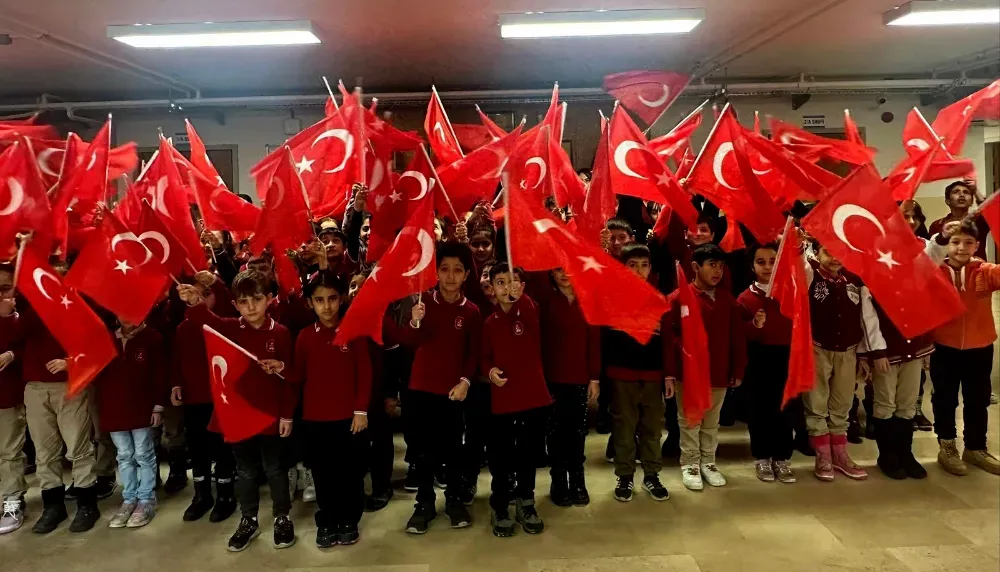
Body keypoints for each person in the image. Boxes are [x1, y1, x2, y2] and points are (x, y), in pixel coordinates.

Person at [177, 269, 297, 552]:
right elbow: (206, 320)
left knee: (275, 469)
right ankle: (249, 518)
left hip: (270, 415)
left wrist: (287, 413)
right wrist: (194, 302)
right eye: (244, 302)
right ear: (235, 304)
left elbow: (292, 378)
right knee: (245, 471)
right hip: (239, 414)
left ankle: (282, 517)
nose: (251, 307)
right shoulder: (231, 328)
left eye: (257, 299)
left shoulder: (280, 333)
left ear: (270, 299)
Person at [393, 242, 481, 534]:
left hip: (453, 392)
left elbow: (473, 354)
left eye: (457, 270)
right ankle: (424, 503)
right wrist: (414, 322)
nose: (450, 276)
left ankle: (454, 500)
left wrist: (465, 381)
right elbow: (407, 341)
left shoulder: (471, 311)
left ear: (466, 274)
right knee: (423, 451)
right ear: (436, 272)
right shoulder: (422, 304)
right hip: (421, 389)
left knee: (454, 449)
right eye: (444, 269)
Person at [18, 264, 101, 533]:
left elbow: (98, 344)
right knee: (44, 451)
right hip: (35, 387)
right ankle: (53, 505)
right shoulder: (31, 306)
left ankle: (87, 503)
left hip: (70, 385)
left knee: (78, 447)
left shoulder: (79, 305)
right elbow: (17, 336)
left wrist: (72, 361)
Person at [293, 271, 371, 547]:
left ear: (342, 299)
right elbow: (298, 377)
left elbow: (365, 373)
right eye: (319, 300)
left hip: (349, 419)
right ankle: (326, 519)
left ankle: (349, 518)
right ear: (310, 303)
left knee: (349, 473)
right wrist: (279, 369)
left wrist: (360, 410)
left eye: (332, 298)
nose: (326, 306)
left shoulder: (354, 332)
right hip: (315, 419)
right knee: (323, 474)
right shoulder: (304, 337)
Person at [665, 244, 746, 491]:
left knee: (711, 421)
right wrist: (676, 364)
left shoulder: (727, 301)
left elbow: (737, 338)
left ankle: (708, 461)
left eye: (721, 266)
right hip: (689, 374)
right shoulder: (678, 298)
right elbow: (669, 338)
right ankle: (689, 463)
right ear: (695, 267)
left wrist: (738, 369)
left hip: (719, 372)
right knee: (689, 421)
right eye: (712, 265)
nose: (717, 271)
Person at [804, 240, 885, 482]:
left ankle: (840, 454)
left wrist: (864, 353)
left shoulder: (854, 281)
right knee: (816, 402)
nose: (835, 258)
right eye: (828, 252)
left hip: (847, 352)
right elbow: (800, 267)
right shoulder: (811, 276)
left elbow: (865, 319)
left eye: (841, 253)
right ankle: (823, 456)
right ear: (816, 253)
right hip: (817, 349)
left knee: (842, 402)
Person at [482, 263, 552, 537]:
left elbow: (528, 304)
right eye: (500, 282)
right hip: (503, 400)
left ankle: (526, 500)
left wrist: (519, 297)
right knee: (501, 455)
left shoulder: (530, 311)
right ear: (491, 288)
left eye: (512, 282)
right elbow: (484, 357)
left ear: (522, 287)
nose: (506, 287)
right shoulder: (490, 322)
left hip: (532, 398)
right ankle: (500, 504)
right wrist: (490, 371)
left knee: (527, 453)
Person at [603, 244, 672, 503]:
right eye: (632, 265)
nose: (638, 270)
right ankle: (625, 475)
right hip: (622, 374)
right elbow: (605, 341)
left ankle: (652, 475)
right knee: (624, 428)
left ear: (650, 268)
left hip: (653, 375)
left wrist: (668, 375)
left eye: (644, 265)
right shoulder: (612, 299)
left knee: (652, 429)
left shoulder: (659, 300)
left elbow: (667, 341)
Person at [931, 219, 1000, 476]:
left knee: (978, 399)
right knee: (945, 399)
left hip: (980, 347)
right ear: (946, 244)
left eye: (968, 242)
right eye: (955, 242)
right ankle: (947, 446)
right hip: (943, 347)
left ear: (977, 245)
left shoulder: (984, 270)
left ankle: (975, 447)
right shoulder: (934, 271)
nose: (961, 247)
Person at [170, 273, 237, 524]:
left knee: (221, 448)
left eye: (206, 294)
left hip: (220, 398)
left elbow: (213, 318)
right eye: (195, 294)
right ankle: (202, 495)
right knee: (197, 448)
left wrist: (210, 289)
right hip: (193, 398)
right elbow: (176, 358)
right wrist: (176, 383)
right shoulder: (182, 328)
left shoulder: (224, 324)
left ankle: (226, 495)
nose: (200, 298)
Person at [532, 268, 600, 507]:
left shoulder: (587, 301)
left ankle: (577, 478)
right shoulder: (545, 301)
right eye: (558, 270)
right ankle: (558, 479)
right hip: (552, 379)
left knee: (577, 431)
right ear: (551, 273)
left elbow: (594, 341)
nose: (564, 274)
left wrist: (594, 377)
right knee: (555, 432)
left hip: (580, 378)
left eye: (569, 269)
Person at [93, 319, 166, 528]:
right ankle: (129, 498)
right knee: (124, 455)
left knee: (143, 454)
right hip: (114, 407)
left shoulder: (152, 337)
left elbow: (160, 373)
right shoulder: (107, 339)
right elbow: (98, 372)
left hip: (141, 406)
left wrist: (158, 406)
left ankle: (146, 499)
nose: (126, 316)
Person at [736, 243, 797, 484]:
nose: (767, 267)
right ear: (752, 266)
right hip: (759, 359)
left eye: (773, 261)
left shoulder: (790, 293)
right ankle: (762, 456)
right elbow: (738, 333)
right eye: (761, 262)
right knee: (760, 409)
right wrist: (754, 325)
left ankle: (782, 457)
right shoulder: (745, 298)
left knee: (785, 408)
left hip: (786, 356)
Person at [900, 199, 934, 432]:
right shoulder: (878, 246)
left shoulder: (926, 246)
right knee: (884, 371)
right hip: (888, 317)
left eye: (915, 217)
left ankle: (915, 409)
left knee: (916, 368)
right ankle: (875, 414)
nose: (911, 222)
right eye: (905, 216)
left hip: (918, 317)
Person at [0, 264, 27, 534]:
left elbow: (28, 347)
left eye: (5, 288)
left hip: (7, 397)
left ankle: (12, 501)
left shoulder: (19, 320)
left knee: (9, 452)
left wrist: (11, 355)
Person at [928, 180, 987, 260]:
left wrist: (975, 190)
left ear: (971, 202)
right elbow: (932, 253)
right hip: (945, 267)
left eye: (966, 192)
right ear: (948, 201)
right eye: (956, 192)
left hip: (976, 266)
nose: (962, 195)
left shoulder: (979, 221)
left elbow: (990, 212)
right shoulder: (937, 225)